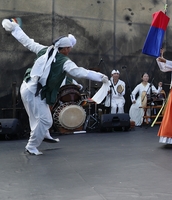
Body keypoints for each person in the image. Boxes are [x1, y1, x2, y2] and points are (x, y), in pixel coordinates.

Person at [2, 19, 108, 155]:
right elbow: (80, 72)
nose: (70, 50)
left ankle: (43, 134)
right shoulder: (64, 61)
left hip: (29, 88)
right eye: (69, 48)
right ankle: (31, 146)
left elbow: (27, 41)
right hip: (34, 91)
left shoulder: (44, 50)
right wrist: (101, 77)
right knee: (45, 119)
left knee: (39, 118)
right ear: (63, 49)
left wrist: (15, 28)